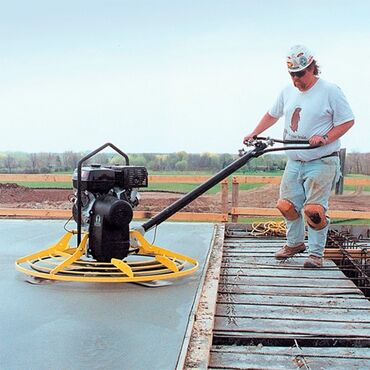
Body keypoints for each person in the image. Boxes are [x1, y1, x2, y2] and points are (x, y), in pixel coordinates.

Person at [243, 45, 354, 268]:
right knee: (286, 206)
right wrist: (255, 133)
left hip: (321, 160)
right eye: (292, 75)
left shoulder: (330, 91)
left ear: (312, 68)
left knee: (313, 210)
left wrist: (325, 136)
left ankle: (316, 255)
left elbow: (347, 121)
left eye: (300, 74)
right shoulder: (287, 91)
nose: (296, 80)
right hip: (295, 161)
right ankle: (294, 244)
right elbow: (272, 114)